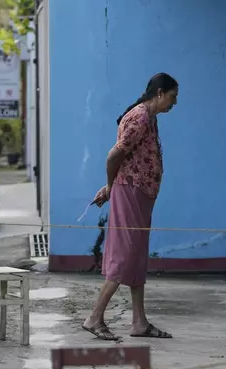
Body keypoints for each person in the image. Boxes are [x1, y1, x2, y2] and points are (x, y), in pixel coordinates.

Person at [82, 73, 178, 341]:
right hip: (131, 192)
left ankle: (139, 321)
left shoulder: (150, 117)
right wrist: (111, 187)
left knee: (136, 257)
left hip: (141, 194)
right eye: (172, 96)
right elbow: (114, 155)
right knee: (123, 256)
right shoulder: (139, 117)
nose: (174, 102)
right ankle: (94, 317)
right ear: (159, 93)